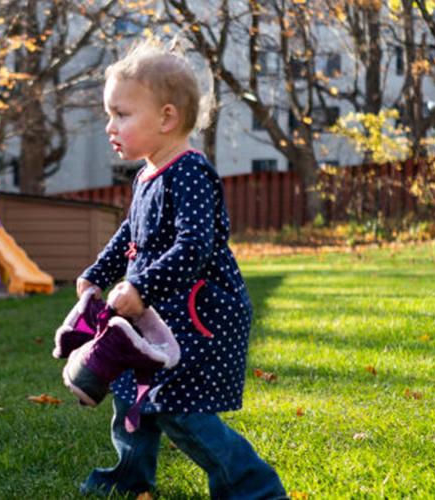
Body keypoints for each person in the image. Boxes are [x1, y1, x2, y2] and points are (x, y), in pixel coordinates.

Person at [75, 39, 287, 499]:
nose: (110, 126)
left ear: (167, 117)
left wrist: (142, 287)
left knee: (179, 411)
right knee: (133, 395)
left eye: (122, 114)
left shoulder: (189, 171)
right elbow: (131, 234)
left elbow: (196, 246)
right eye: (110, 114)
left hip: (199, 317)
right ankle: (130, 479)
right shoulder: (147, 174)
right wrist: (97, 272)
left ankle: (255, 488)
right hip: (155, 315)